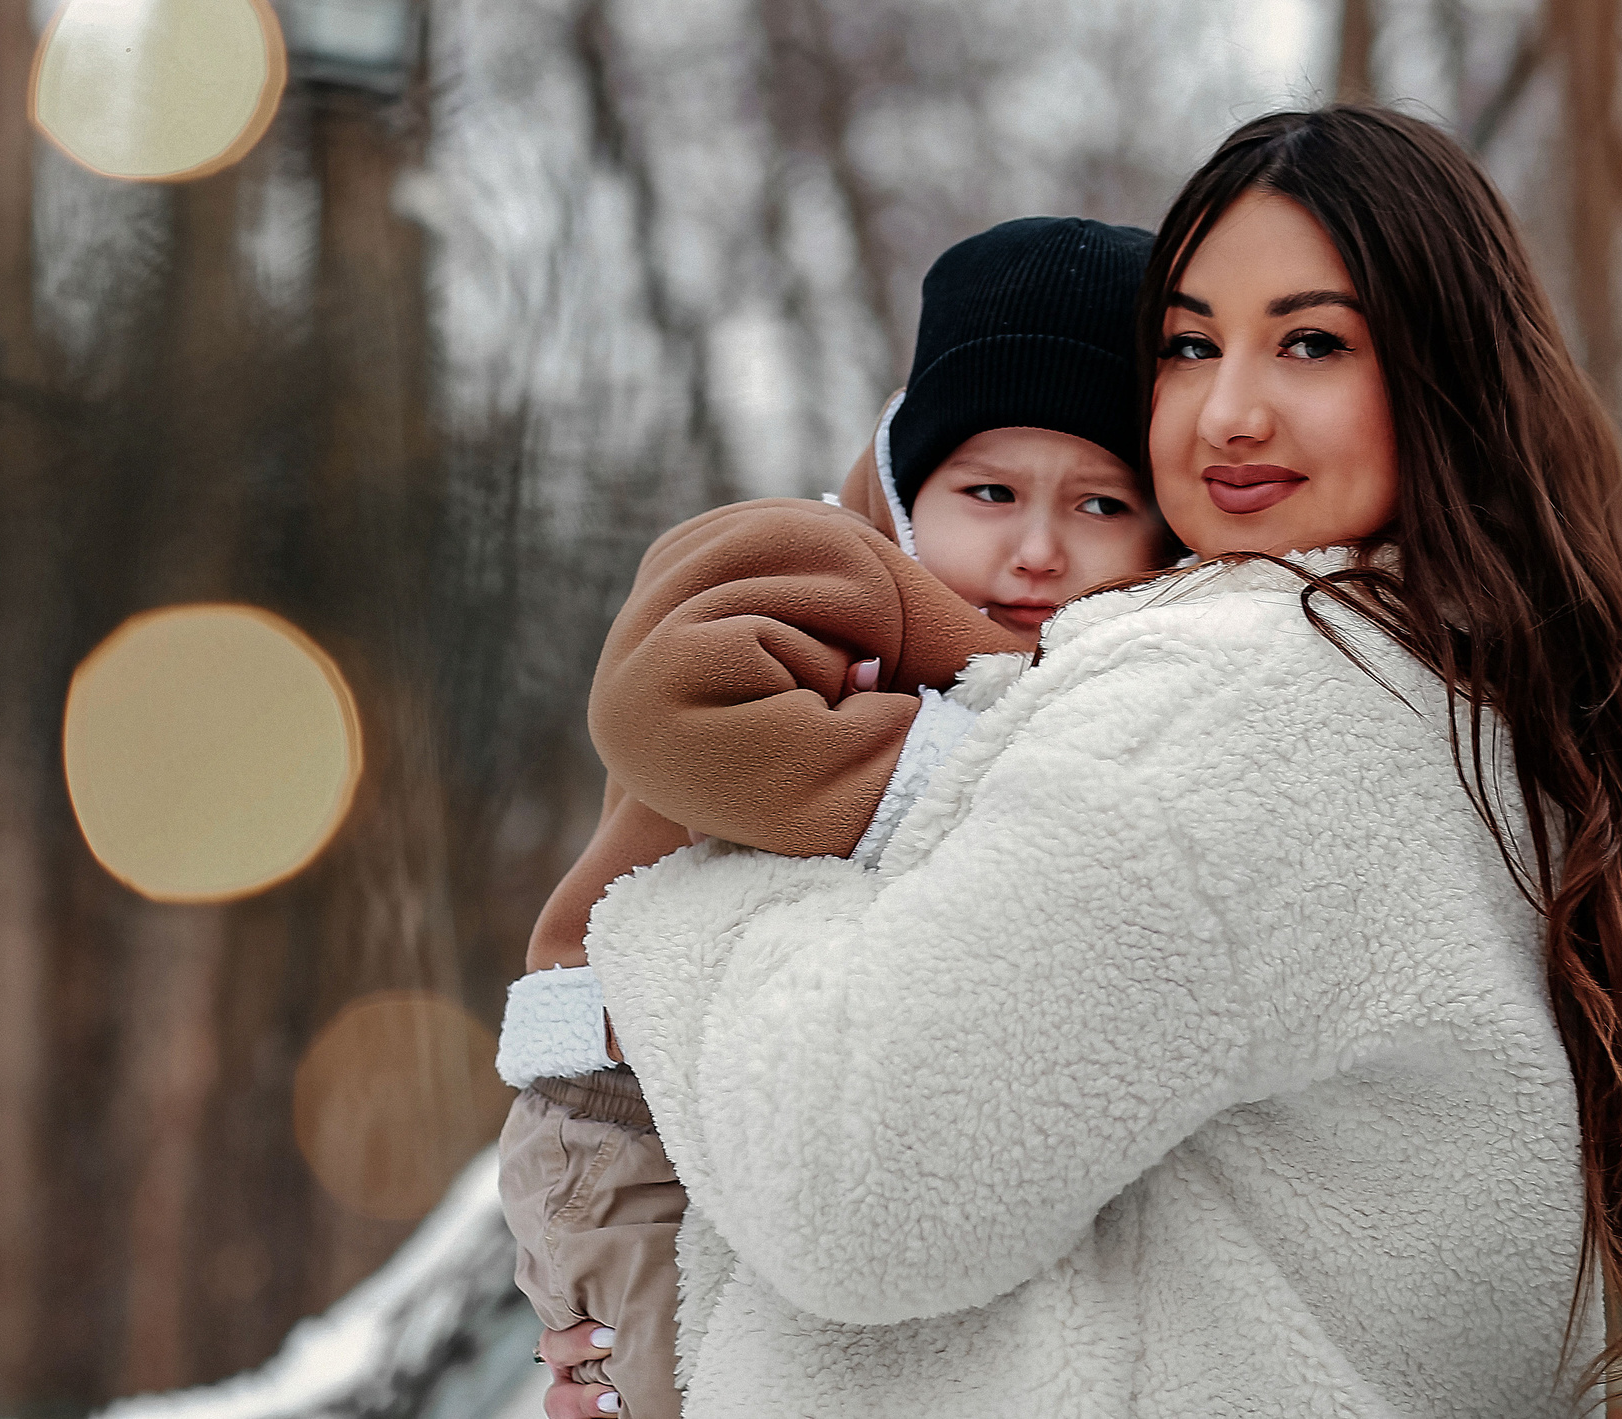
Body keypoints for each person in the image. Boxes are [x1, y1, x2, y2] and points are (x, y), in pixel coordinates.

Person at [558, 107, 1622, 1417]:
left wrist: (687, 883)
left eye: (1311, 342)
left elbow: (857, 1181)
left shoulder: (1229, 707)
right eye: (1190, 345)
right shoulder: (1451, 693)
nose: (1230, 411)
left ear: (1446, 373)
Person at [494, 217, 1174, 1417]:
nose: (1037, 548)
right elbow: (661, 702)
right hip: (622, 1113)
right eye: (989, 491)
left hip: (793, 1120)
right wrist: (933, 769)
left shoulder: (1121, 673)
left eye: (1102, 503)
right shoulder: (828, 567)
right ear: (907, 486)